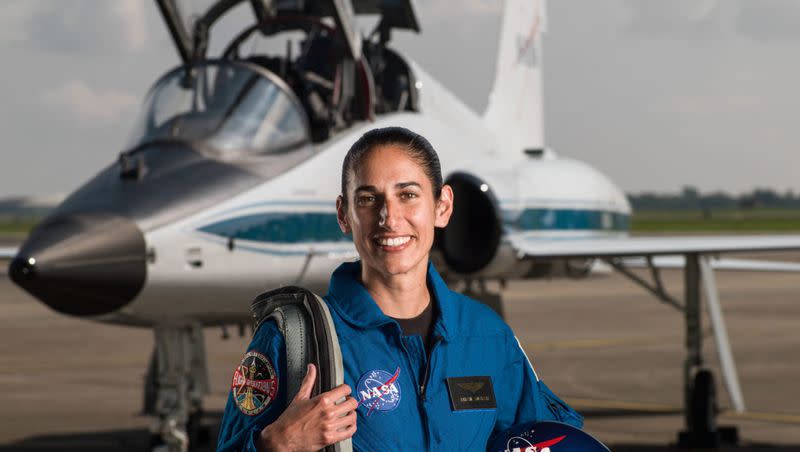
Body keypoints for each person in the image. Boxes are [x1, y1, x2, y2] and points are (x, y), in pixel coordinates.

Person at [217, 127, 583, 451]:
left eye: (407, 195)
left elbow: (555, 438)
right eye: (367, 198)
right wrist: (277, 445)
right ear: (344, 214)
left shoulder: (486, 335)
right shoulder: (294, 339)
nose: (389, 218)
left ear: (442, 207)